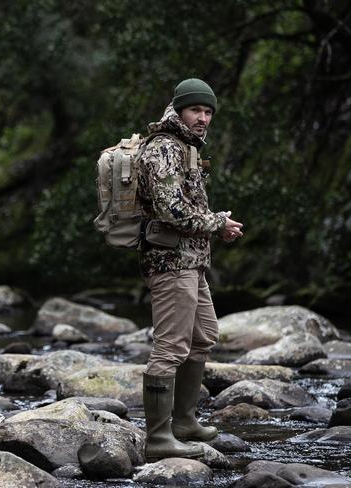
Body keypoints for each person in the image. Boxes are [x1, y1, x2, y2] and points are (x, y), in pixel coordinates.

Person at [137, 78, 244, 460]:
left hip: (192, 262)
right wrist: (218, 223)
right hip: (170, 263)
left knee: (203, 337)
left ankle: (184, 421)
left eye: (208, 112)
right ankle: (158, 438)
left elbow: (186, 209)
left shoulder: (188, 148)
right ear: (180, 109)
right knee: (170, 348)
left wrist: (217, 223)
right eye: (196, 110)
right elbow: (171, 210)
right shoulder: (164, 148)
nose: (203, 118)